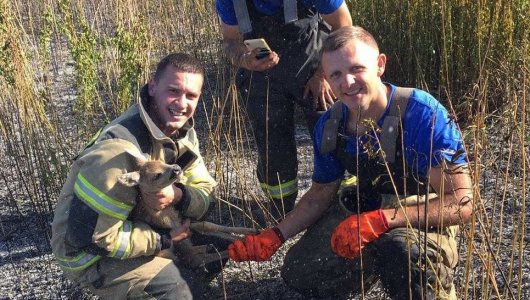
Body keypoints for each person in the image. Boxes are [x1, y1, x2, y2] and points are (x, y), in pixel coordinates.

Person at [228, 26, 474, 299]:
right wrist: (276, 235)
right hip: (365, 212)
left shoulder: (423, 114)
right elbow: (319, 196)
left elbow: (461, 203)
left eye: (356, 69)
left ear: (379, 65)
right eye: (335, 74)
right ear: (327, 78)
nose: (347, 82)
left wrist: (384, 220)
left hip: (419, 219)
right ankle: (373, 265)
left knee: (404, 254)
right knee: (301, 272)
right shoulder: (330, 125)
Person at [51, 53, 223, 299]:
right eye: (174, 91)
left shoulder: (180, 132)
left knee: (221, 242)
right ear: (153, 86)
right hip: (92, 257)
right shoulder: (117, 153)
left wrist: (178, 195)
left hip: (147, 226)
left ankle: (187, 279)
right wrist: (164, 239)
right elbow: (92, 239)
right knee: (175, 293)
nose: (182, 104)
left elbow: (204, 187)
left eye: (191, 96)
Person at [215, 0, 352, 221]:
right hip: (262, 74)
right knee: (272, 143)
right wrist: (244, 59)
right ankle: (280, 209)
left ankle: (345, 203)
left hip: (312, 63)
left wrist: (325, 74)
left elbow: (344, 25)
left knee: (331, 131)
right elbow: (230, 41)